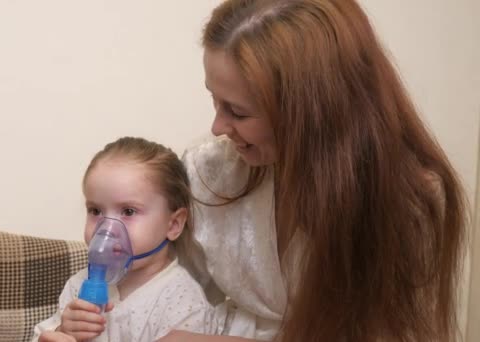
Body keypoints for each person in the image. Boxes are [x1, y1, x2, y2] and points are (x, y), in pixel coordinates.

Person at [159, 0, 467, 342]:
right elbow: (172, 293)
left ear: (312, 112)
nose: (218, 127)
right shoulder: (208, 172)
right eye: (214, 99)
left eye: (238, 112)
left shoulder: (408, 202)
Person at [33, 137, 220, 342]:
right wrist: (62, 331)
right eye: (95, 210)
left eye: (128, 211)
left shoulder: (183, 302)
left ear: (173, 224)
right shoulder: (79, 285)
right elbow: (42, 336)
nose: (107, 229)